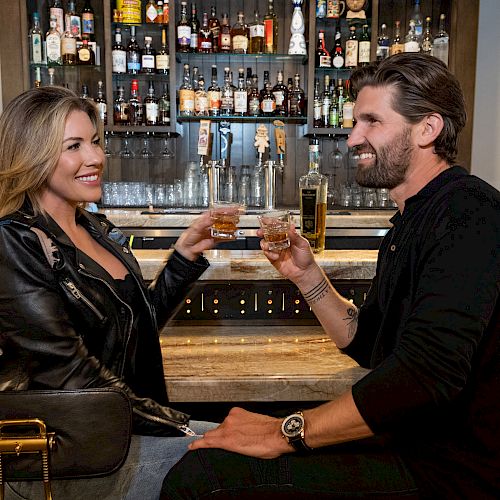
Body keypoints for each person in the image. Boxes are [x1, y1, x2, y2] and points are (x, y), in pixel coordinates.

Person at [162, 53, 500, 499]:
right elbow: (369, 343)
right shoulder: (410, 221)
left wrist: (282, 433)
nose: (352, 137)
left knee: (202, 479)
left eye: (371, 121)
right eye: (355, 121)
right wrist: (307, 277)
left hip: (448, 470)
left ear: (427, 129)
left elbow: (425, 376)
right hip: (408, 441)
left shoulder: (469, 213)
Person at [0, 86, 217, 500]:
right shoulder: (15, 242)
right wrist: (178, 424)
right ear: (34, 154)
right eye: (74, 146)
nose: (96, 157)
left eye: (96, 142)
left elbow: (136, 322)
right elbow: (68, 375)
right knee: (237, 463)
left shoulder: (96, 228)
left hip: (127, 431)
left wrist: (184, 256)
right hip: (74, 455)